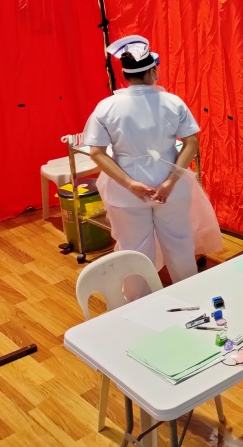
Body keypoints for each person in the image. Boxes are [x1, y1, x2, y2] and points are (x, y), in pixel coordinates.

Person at [83, 36, 204, 293]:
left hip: (126, 191)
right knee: (180, 243)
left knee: (134, 249)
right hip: (171, 187)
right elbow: (192, 143)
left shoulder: (106, 107)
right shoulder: (173, 102)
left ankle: (138, 305)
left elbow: (97, 153)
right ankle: (191, 296)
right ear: (151, 71)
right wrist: (170, 181)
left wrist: (129, 184)